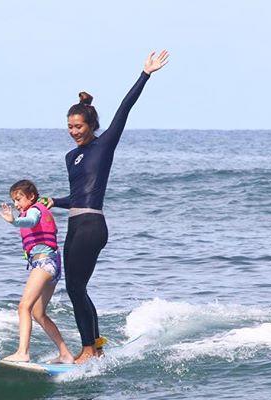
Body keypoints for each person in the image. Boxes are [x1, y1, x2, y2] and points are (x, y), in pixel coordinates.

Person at [47, 50, 170, 364]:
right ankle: (95, 347)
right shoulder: (69, 157)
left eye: (78, 126)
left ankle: (88, 350)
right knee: (76, 289)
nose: (73, 131)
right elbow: (77, 197)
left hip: (92, 226)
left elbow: (125, 109)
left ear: (90, 124)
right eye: (69, 126)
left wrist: (145, 74)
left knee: (75, 288)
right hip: (75, 224)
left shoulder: (104, 145)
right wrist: (53, 202)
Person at [0, 180, 74, 363]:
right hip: (53, 266)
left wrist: (14, 220)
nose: (16, 204)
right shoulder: (37, 208)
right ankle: (65, 354)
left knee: (24, 307)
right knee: (38, 313)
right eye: (14, 201)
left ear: (31, 197)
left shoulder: (34, 210)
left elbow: (31, 220)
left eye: (19, 199)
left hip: (44, 264)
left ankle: (22, 353)